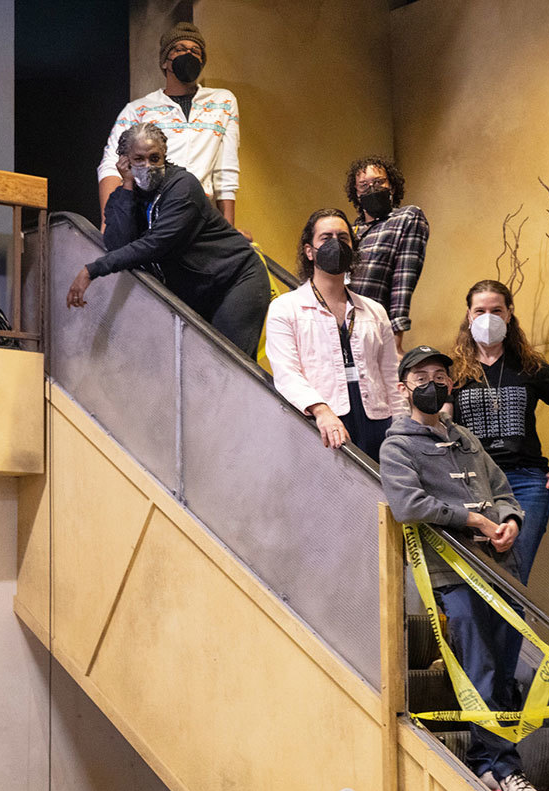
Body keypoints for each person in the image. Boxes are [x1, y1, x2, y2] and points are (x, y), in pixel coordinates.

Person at [379, 346, 542, 791]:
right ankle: (507, 769)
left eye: (439, 375)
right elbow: (408, 505)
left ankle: (485, 763)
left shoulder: (466, 438)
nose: (431, 383)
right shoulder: (397, 445)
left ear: (451, 385)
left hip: (500, 568)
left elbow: (504, 491)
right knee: (481, 667)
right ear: (404, 388)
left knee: (504, 667)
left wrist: (510, 522)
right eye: (421, 377)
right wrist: (471, 519)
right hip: (452, 574)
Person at [67, 122, 268, 358]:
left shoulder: (183, 186)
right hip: (199, 290)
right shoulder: (126, 194)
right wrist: (128, 186)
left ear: (164, 156)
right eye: (139, 159)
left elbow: (156, 244)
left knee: (227, 366)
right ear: (124, 161)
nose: (148, 166)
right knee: (201, 368)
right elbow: (118, 244)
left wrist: (92, 270)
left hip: (236, 280)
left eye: (155, 158)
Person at [446, 279, 549, 585]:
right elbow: (442, 428)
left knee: (513, 580)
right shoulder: (453, 372)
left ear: (510, 313)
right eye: (481, 310)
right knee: (477, 583)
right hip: (474, 484)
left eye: (497, 310)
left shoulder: (529, 366)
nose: (488, 317)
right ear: (469, 315)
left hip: (524, 482)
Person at [264, 208, 402, 462]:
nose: (336, 244)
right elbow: (286, 374)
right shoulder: (286, 308)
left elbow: (391, 376)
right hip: (325, 423)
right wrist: (321, 410)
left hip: (378, 421)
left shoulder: (375, 311)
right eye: (326, 238)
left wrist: (404, 430)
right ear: (309, 251)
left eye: (343, 238)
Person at [97, 22, 240, 226]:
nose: (188, 54)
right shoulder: (138, 109)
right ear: (165, 61)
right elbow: (111, 164)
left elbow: (226, 171)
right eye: (179, 49)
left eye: (195, 51)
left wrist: (229, 230)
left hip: (200, 213)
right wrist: (109, 224)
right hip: (152, 212)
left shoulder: (223, 103)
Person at [344, 156, 429, 350]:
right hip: (342, 327)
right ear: (356, 193)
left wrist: (396, 342)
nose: (371, 188)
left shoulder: (407, 217)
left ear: (392, 186)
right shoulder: (349, 231)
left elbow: (403, 280)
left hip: (374, 329)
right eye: (363, 185)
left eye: (379, 182)